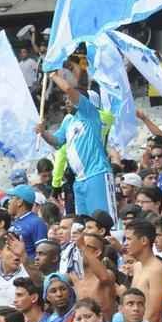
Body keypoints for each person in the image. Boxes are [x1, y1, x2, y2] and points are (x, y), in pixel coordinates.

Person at [35, 71, 114, 216]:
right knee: (83, 225)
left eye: (69, 99)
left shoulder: (90, 114)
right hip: (79, 181)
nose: (66, 102)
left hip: (96, 174)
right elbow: (57, 142)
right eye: (65, 100)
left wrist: (52, 74)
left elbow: (68, 89)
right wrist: (43, 132)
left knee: (103, 220)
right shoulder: (68, 121)